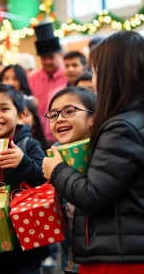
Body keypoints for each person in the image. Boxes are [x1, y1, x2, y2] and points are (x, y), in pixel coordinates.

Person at [43, 30, 144, 274]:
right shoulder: (134, 118)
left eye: (96, 70)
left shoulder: (121, 128)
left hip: (119, 257)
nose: (93, 78)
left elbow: (93, 195)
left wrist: (56, 170)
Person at [0, 83, 48, 274]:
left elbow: (44, 180)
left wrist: (24, 163)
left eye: (4, 109)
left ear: (21, 116)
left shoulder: (29, 145)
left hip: (27, 240)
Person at [44, 87, 97, 273]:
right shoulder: (53, 155)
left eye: (69, 111)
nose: (59, 118)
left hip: (101, 258)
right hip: (70, 259)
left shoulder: (104, 153)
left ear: (93, 118)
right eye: (53, 114)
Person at [28, 22, 68, 145]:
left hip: (64, 136)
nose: (47, 62)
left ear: (60, 55)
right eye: (44, 58)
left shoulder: (68, 77)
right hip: (38, 138)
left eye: (51, 57)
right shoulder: (31, 78)